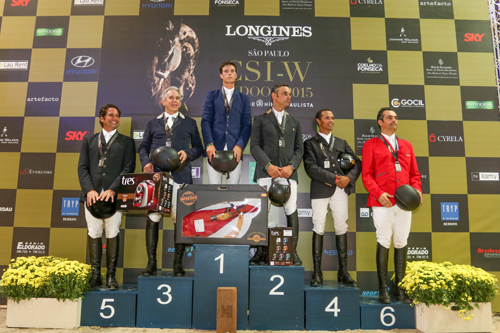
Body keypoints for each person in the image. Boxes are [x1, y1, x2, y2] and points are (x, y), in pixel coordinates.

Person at [139, 86, 203, 277]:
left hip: (181, 178)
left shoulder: (190, 123)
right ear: (163, 101)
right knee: (153, 219)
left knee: (180, 221)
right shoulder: (152, 123)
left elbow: (199, 148)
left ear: (181, 102)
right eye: (170, 97)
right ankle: (151, 264)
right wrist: (146, 163)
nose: (174, 100)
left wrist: (188, 153)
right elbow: (143, 147)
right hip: (157, 178)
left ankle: (178, 264)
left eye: (177, 98)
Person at [362, 107, 422, 304]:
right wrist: (379, 195)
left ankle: (400, 290)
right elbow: (367, 176)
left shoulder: (407, 145)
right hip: (383, 202)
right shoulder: (371, 144)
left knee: (401, 242)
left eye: (395, 117)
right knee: (383, 240)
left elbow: (415, 175)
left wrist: (417, 192)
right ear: (380, 122)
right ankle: (382, 290)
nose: (394, 120)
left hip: (404, 205)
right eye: (389, 117)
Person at [78, 104, 136, 290]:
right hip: (92, 197)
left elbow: (128, 169)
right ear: (102, 118)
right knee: (93, 233)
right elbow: (82, 168)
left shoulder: (127, 142)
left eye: (117, 115)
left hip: (115, 197)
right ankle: (95, 275)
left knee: (113, 233)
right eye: (111, 115)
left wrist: (113, 189)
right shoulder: (89, 140)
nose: (115, 118)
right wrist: (89, 190)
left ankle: (111, 275)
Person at [303, 109, 361, 286]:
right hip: (321, 189)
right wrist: (334, 179)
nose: (331, 120)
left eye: (333, 117)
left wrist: (349, 178)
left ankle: (343, 272)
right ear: (318, 121)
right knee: (318, 226)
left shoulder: (342, 143)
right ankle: (317, 273)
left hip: (341, 191)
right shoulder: (310, 143)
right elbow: (310, 167)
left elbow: (356, 163)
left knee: (341, 226)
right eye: (327, 117)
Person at [250, 83, 304, 265]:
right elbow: (255, 146)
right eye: (285, 93)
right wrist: (268, 166)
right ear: (274, 96)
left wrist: (291, 167)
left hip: (289, 174)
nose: (289, 97)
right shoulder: (260, 119)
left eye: (290, 94)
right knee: (265, 212)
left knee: (291, 209)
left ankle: (293, 252)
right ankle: (261, 252)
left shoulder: (295, 122)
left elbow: (299, 149)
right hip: (266, 174)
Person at [201, 61, 252, 184]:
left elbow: (247, 125)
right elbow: (206, 121)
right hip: (214, 150)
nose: (229, 73)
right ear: (221, 76)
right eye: (226, 71)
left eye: (232, 71)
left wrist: (240, 145)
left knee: (233, 192)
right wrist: (209, 144)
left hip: (235, 151)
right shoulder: (211, 96)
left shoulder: (244, 99)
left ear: (236, 75)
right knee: (214, 191)